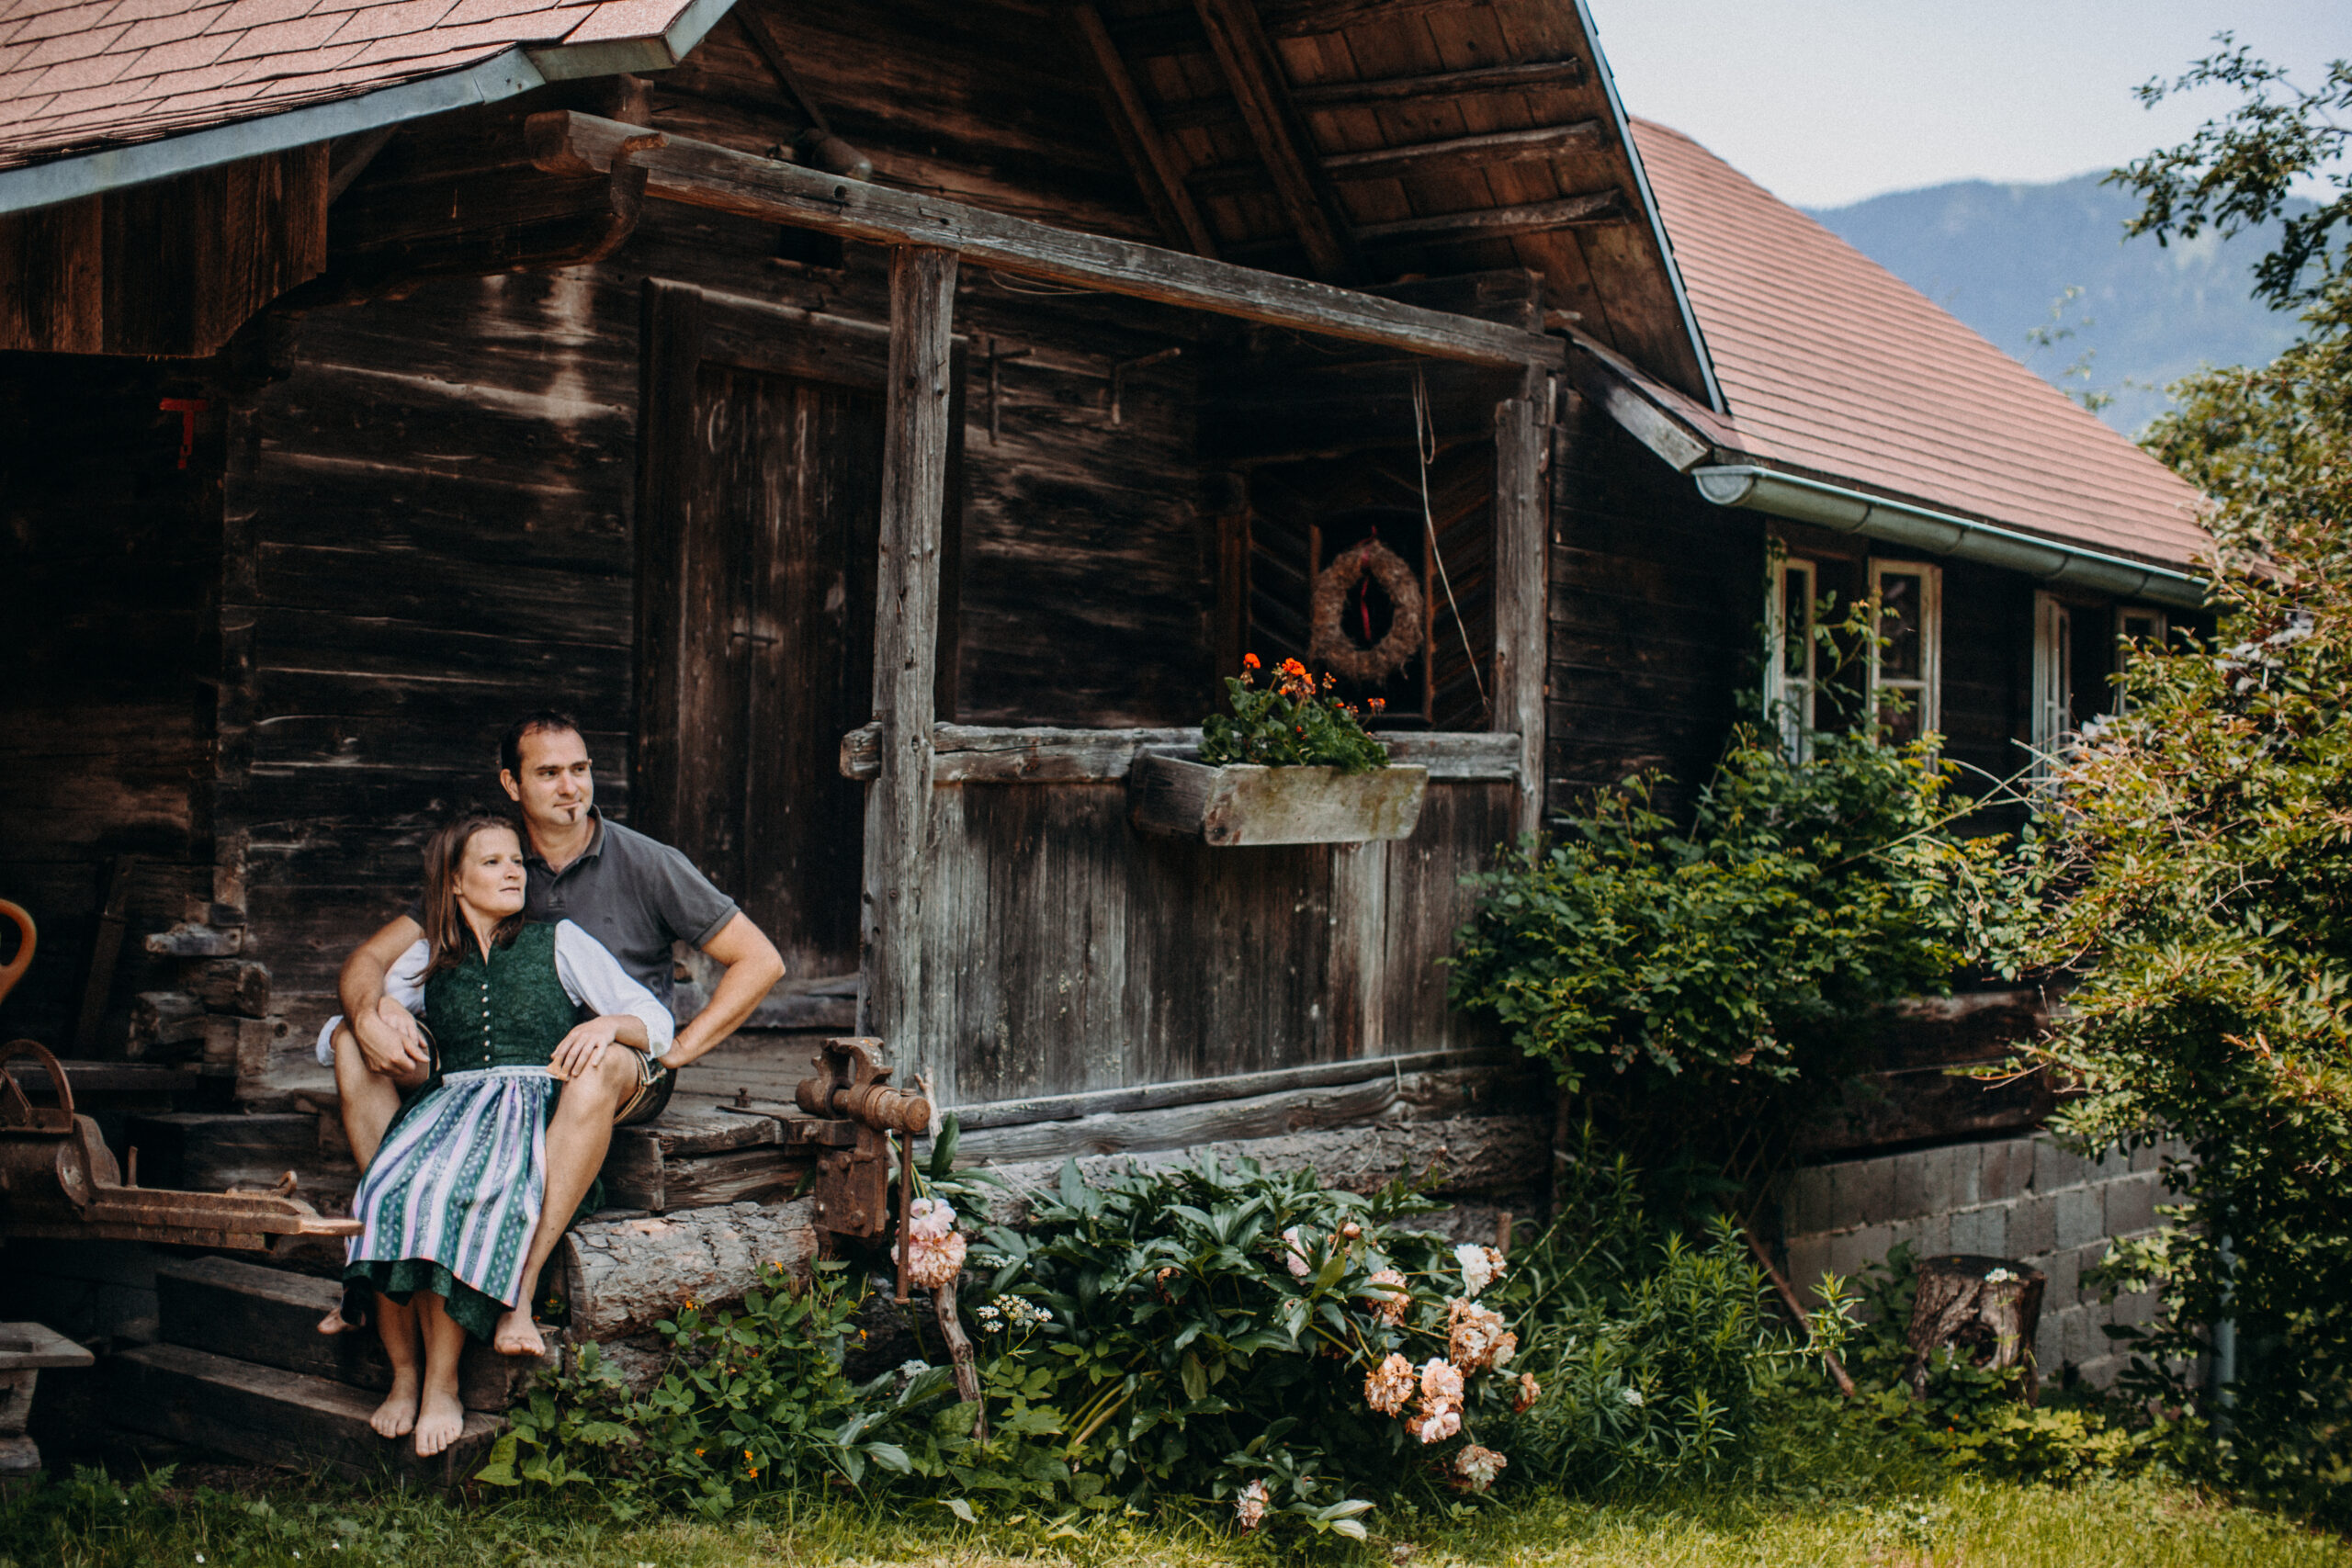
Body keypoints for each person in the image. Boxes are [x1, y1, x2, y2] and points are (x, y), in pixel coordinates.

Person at [318, 712, 786, 1353]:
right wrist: (372, 1012)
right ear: (512, 784)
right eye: (549, 773)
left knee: (597, 1063)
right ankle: (393, 1254)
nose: (571, 787)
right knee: (351, 1041)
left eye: (580, 769)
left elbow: (760, 960)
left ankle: (521, 1285)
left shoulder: (647, 862)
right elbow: (370, 960)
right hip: (506, 1067)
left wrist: (676, 1049)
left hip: (619, 1058)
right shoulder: (496, 858)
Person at [344, 810, 673, 1458]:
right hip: (449, 1105)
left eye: (517, 861)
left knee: (455, 1196)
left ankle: (442, 1384)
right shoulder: (428, 959)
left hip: (528, 1109)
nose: (513, 871)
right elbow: (355, 1008)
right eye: (492, 862)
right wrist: (379, 1008)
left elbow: (655, 1019)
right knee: (388, 1193)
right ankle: (403, 1373)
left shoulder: (559, 940)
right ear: (454, 882)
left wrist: (607, 1024)